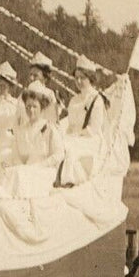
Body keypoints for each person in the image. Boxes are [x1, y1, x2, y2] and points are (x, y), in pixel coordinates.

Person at [61, 55, 108, 185]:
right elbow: (70, 124)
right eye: (76, 78)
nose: (79, 81)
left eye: (82, 78)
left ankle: (69, 182)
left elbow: (94, 128)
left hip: (91, 140)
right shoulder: (74, 100)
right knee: (60, 145)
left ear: (90, 78)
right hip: (75, 137)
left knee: (70, 148)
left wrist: (76, 135)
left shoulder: (96, 99)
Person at [13, 81, 66, 170]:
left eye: (34, 106)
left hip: (44, 171)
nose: (31, 110)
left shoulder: (49, 128)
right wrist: (22, 167)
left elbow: (59, 154)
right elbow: (16, 156)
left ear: (42, 107)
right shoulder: (22, 130)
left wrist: (40, 166)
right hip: (25, 171)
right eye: (28, 106)